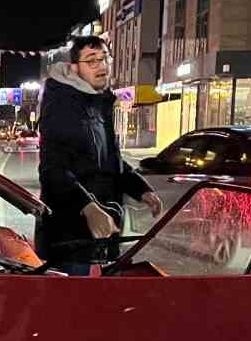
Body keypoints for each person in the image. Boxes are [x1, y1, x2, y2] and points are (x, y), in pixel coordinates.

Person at [37, 35, 162, 271]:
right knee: (73, 292)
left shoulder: (97, 104)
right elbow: (53, 170)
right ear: (75, 68)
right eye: (91, 60)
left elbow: (109, 162)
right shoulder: (62, 105)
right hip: (70, 237)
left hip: (100, 232)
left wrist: (141, 189)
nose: (101, 66)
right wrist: (88, 207)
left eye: (104, 58)